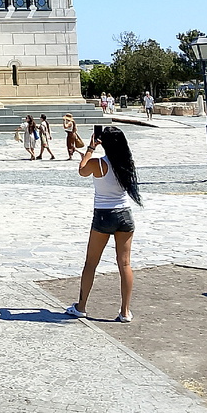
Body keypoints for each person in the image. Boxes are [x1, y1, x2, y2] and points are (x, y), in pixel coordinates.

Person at [66, 125, 142, 323]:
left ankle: (81, 306)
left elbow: (82, 170)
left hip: (103, 215)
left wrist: (91, 148)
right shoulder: (128, 163)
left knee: (91, 263)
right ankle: (125, 311)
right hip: (125, 214)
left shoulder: (98, 164)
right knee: (124, 263)